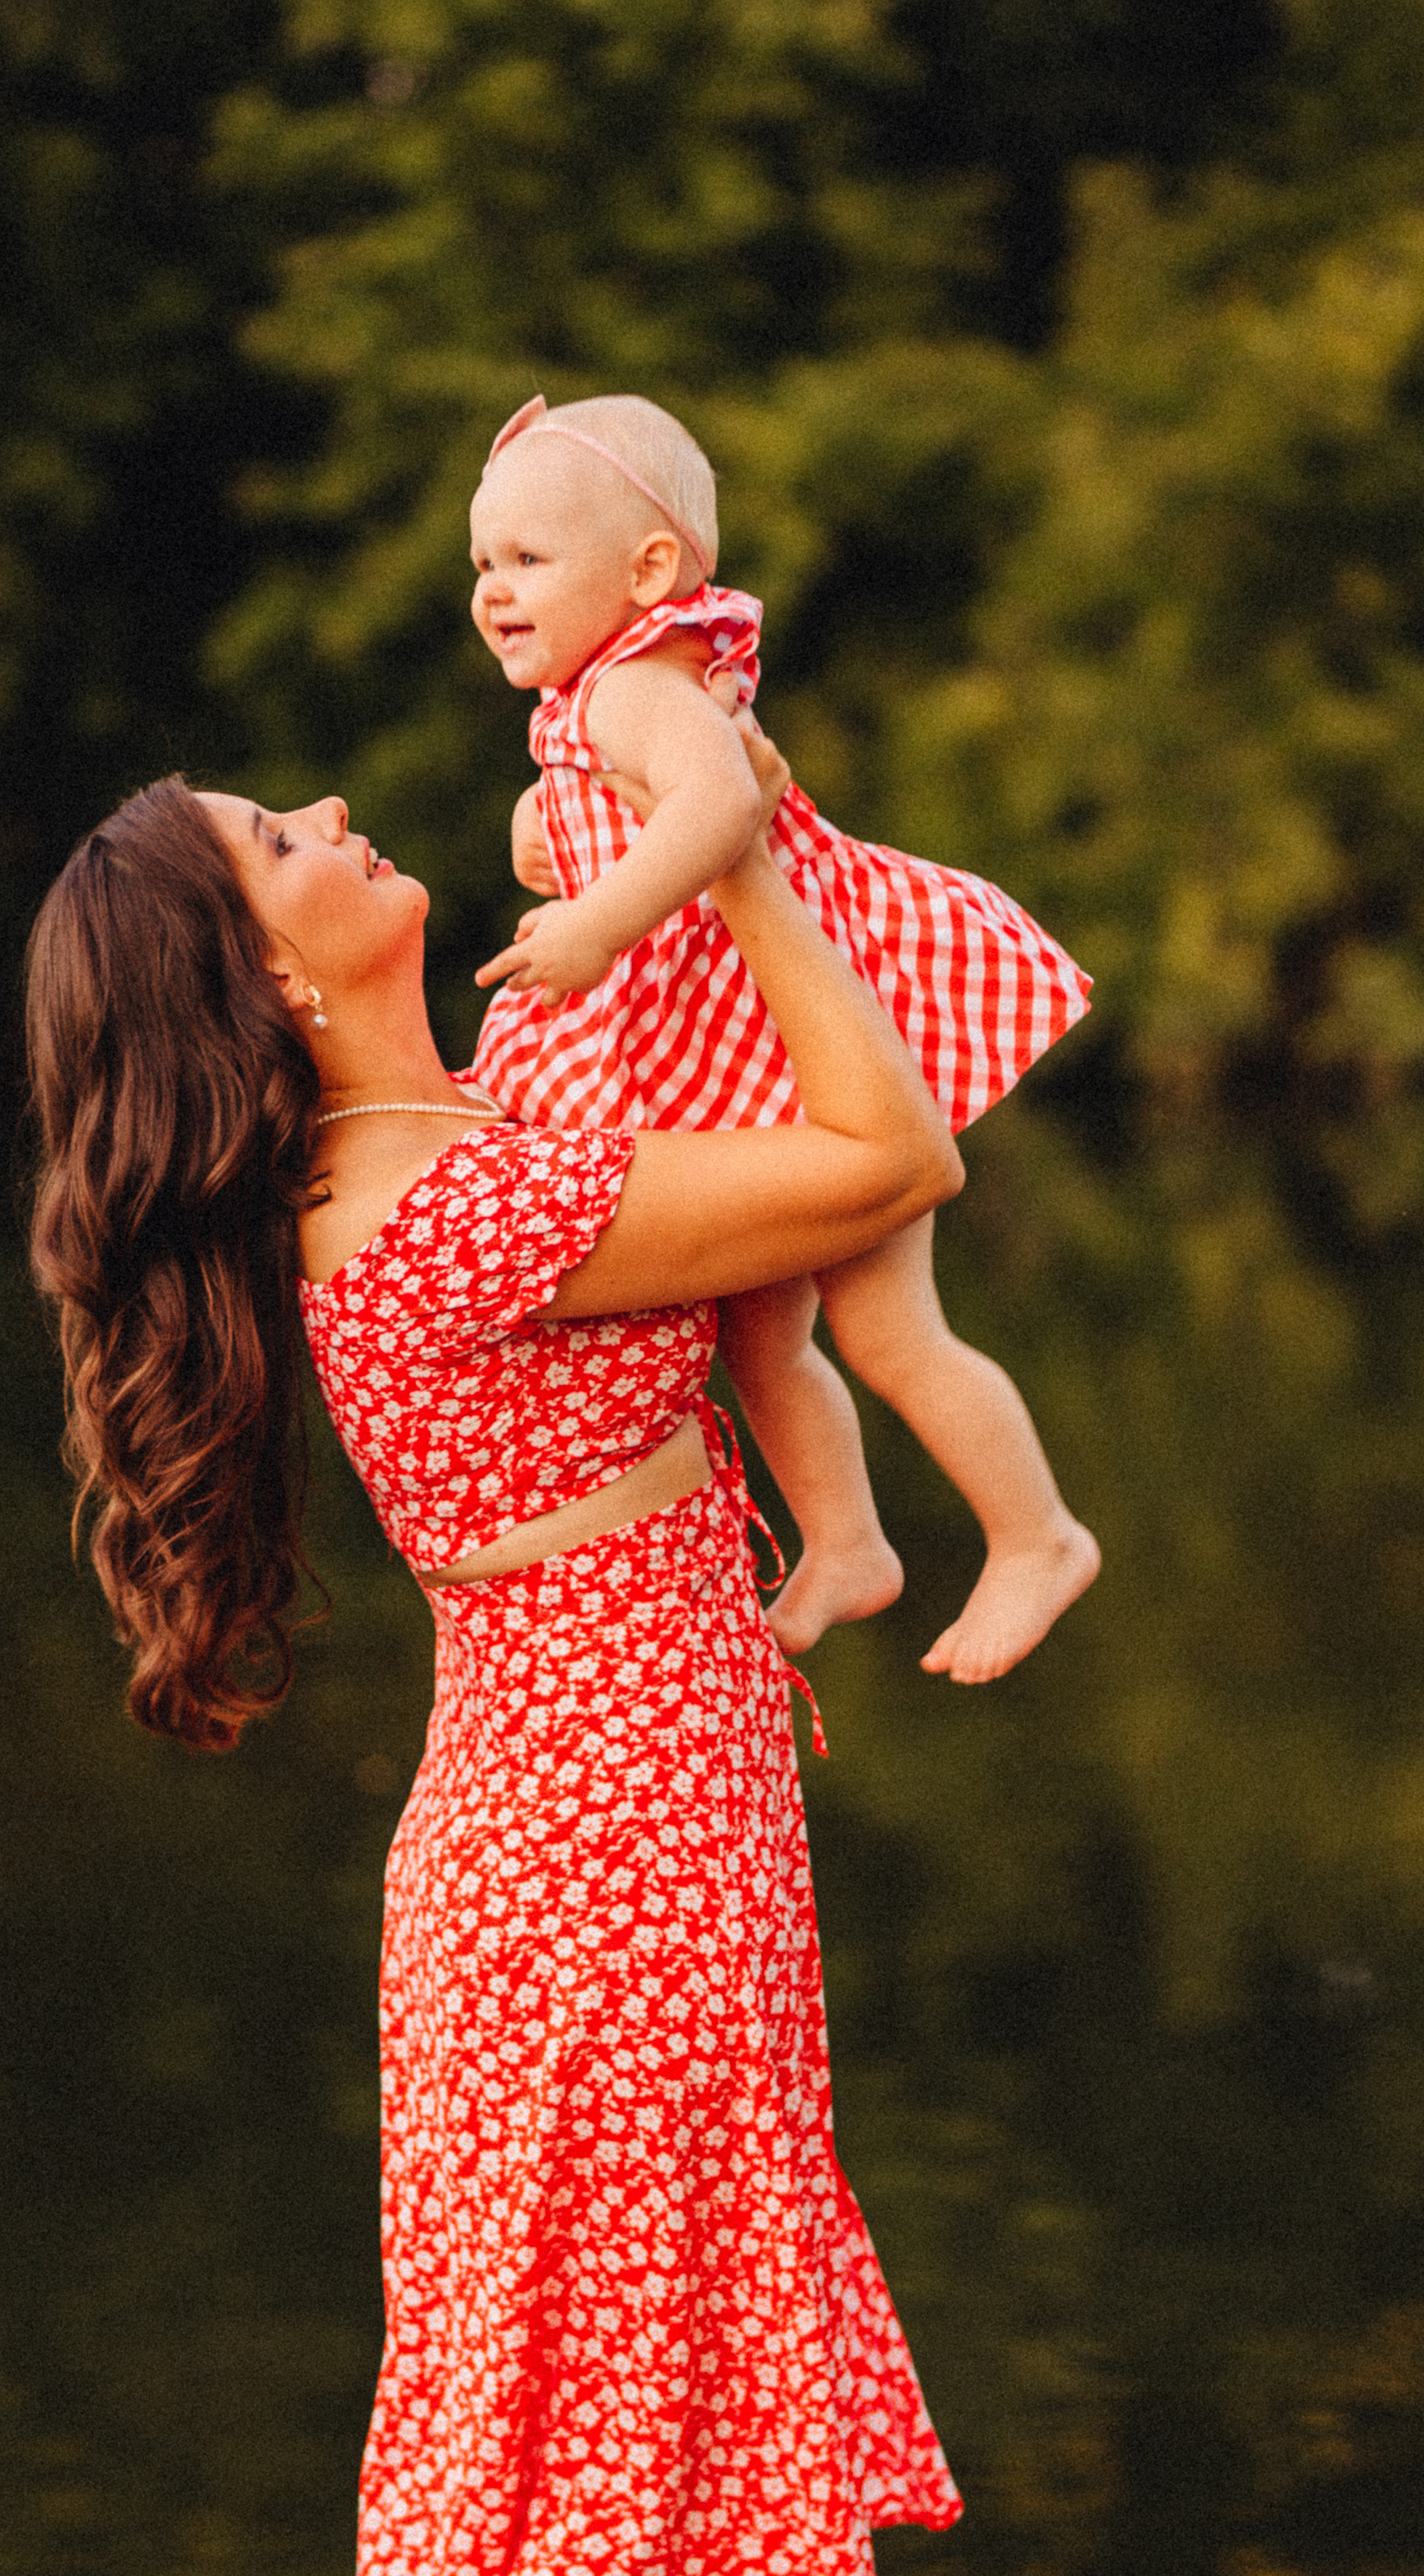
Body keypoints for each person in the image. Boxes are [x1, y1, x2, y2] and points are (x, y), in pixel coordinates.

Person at [23, 714, 963, 2576]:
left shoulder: (476, 1133)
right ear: (258, 984)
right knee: (584, 2418)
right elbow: (890, 1153)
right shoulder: (448, 1213)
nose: (333, 812)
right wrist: (729, 865)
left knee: (593, 2403)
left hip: (610, 1823)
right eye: (276, 839)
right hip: (598, 1854)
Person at [466, 391, 1101, 1682]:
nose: (494, 589)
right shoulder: (601, 701)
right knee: (765, 1339)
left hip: (810, 1058)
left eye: (529, 559)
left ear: (648, 572)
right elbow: (634, 820)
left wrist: (595, 919)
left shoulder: (640, 689)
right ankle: (850, 1544)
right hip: (745, 1076)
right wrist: (546, 837)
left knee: (890, 1332)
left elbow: (715, 815)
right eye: (482, 564)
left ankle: (1037, 1536)